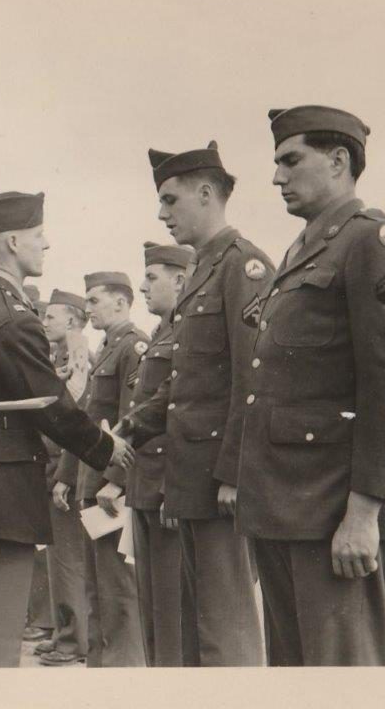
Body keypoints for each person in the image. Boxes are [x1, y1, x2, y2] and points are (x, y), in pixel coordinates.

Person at [235, 105, 385, 666]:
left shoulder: (371, 243)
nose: (277, 177)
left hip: (334, 508)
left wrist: (364, 515)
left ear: (339, 160)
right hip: (285, 504)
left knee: (343, 672)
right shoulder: (303, 250)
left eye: (291, 161)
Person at [0, 191, 135, 668]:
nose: (46, 245)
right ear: (12, 242)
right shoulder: (13, 317)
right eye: (38, 235)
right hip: (0, 486)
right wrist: (107, 447)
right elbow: (51, 406)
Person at [118, 141, 270, 667]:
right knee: (195, 628)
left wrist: (234, 473)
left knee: (224, 631)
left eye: (170, 200)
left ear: (206, 194)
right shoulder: (202, 271)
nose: (162, 214)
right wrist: (130, 427)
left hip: (217, 482)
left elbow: (253, 377)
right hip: (189, 479)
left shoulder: (243, 266)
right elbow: (184, 383)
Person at [47, 272, 148, 667]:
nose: (87, 309)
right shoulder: (105, 350)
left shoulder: (132, 347)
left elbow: (133, 421)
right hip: (92, 486)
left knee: (117, 588)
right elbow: (86, 420)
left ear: (120, 303)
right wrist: (67, 477)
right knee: (95, 586)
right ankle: (100, 667)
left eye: (94, 301)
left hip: (108, 490)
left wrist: (116, 482)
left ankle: (123, 672)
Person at [128, 241, 194, 667]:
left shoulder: (186, 333)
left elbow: (182, 412)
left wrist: (175, 486)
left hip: (167, 485)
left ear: (181, 280)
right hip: (144, 483)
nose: (142, 287)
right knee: (151, 608)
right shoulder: (159, 334)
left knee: (171, 611)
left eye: (152, 278)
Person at [35, 289, 93, 665]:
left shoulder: (79, 356)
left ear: (71, 321)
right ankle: (63, 632)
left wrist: (66, 475)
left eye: (50, 317)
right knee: (58, 559)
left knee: (69, 559)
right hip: (52, 467)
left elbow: (77, 421)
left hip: (64, 470)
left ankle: (74, 641)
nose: (44, 322)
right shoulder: (59, 356)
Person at [22, 284, 55, 644]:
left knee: (48, 555)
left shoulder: (63, 358)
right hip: (39, 467)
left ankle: (46, 620)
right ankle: (37, 616)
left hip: (54, 469)